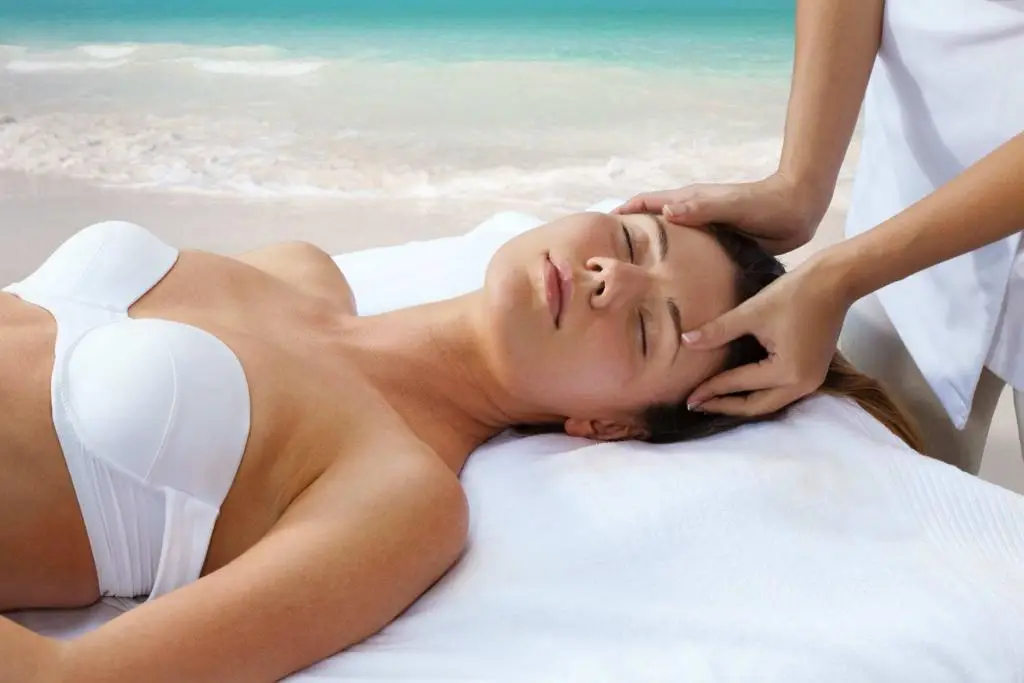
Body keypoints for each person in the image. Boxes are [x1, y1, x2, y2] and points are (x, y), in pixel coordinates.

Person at [1, 211, 918, 681]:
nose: (612, 276)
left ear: (611, 426)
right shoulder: (299, 269)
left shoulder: (400, 496)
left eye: (649, 327)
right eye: (633, 239)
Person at [616, 0, 1024, 473]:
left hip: (881, 258)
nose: (607, 277)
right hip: (907, 205)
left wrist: (843, 275)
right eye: (628, 240)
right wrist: (798, 184)